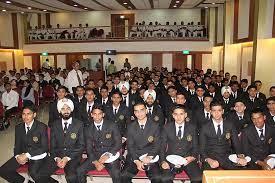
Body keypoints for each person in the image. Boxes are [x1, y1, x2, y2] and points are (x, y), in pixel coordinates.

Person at [35, 98, 84, 183]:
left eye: (68, 108)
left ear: (71, 110)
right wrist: (57, 158)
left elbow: (81, 145)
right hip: (57, 155)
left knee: (71, 177)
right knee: (39, 175)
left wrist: (66, 158)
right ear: (59, 111)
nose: (66, 111)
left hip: (72, 156)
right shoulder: (54, 125)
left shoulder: (79, 124)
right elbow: (52, 145)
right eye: (63, 108)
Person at [0, 105, 48, 183]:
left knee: (34, 174)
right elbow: (17, 146)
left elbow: (44, 147)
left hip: (36, 155)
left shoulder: (41, 127)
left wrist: (27, 155)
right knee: (3, 170)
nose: (25, 116)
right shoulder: (18, 127)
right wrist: (18, 156)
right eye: (23, 114)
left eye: (28, 114)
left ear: (34, 115)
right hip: (22, 154)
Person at [76, 105, 122, 183]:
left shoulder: (112, 125)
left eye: (99, 114)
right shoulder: (88, 129)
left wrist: (108, 154)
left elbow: (118, 143)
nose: (97, 116)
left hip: (110, 153)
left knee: (116, 173)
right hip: (96, 154)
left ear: (103, 114)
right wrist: (95, 161)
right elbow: (89, 148)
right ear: (91, 115)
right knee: (79, 170)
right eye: (95, 114)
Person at [161, 104, 202, 183]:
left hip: (187, 158)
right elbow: (162, 146)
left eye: (181, 114)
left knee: (198, 178)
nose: (178, 117)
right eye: (176, 114)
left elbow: (196, 145)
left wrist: (193, 157)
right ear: (173, 115)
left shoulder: (192, 128)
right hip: (171, 158)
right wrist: (163, 161)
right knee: (165, 179)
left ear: (185, 115)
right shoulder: (166, 127)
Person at [121, 103, 161, 183]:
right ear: (134, 113)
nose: (139, 113)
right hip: (135, 155)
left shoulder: (155, 125)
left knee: (157, 178)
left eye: (142, 110)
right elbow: (130, 146)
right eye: (137, 111)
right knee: (124, 176)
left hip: (149, 155)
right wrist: (137, 161)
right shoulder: (130, 126)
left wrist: (149, 157)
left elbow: (157, 145)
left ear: (146, 111)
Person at [200, 101, 245, 170]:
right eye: (214, 111)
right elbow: (202, 148)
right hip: (210, 156)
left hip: (226, 156)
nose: (217, 113)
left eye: (219, 110)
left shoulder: (230, 125)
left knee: (240, 172)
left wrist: (240, 156)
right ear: (211, 112)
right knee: (208, 176)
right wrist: (208, 160)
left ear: (223, 111)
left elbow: (236, 142)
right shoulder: (204, 127)